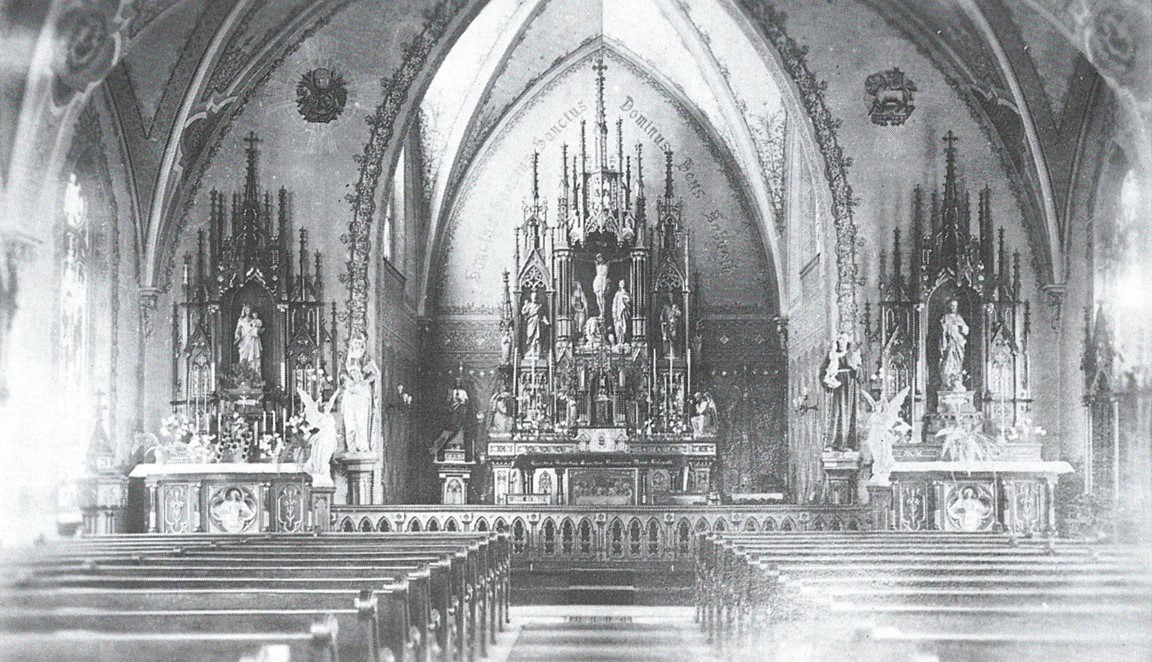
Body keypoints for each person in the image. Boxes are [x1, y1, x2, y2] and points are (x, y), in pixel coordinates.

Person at [822, 333, 862, 451]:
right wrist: (827, 381)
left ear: (848, 340)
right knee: (835, 413)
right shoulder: (832, 354)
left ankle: (848, 444)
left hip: (849, 386)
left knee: (849, 413)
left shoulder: (853, 354)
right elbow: (823, 371)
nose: (841, 341)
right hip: (837, 384)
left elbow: (860, 371)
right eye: (839, 338)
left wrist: (855, 369)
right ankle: (832, 443)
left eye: (843, 339)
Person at [340, 334, 378, 454]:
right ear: (351, 343)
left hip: (362, 391)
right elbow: (341, 372)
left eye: (359, 343)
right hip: (350, 390)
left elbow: (374, 374)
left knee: (361, 420)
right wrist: (348, 379)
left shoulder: (366, 357)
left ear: (362, 344)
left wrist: (365, 381)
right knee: (350, 421)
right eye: (354, 342)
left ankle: (363, 447)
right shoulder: (346, 357)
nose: (356, 345)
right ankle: (351, 447)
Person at [297, 386, 340, 486]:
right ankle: (319, 472)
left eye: (328, 407)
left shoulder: (330, 417)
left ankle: (322, 473)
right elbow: (311, 426)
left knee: (326, 456)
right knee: (320, 456)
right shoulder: (319, 417)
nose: (327, 408)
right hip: (321, 439)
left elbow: (332, 400)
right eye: (324, 407)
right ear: (321, 408)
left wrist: (338, 391)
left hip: (329, 439)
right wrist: (304, 430)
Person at [940, 299, 969, 391]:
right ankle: (948, 380)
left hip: (959, 342)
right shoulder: (946, 317)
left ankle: (957, 378)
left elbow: (966, 330)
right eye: (952, 306)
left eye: (955, 306)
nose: (953, 308)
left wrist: (960, 326)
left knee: (958, 360)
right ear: (948, 306)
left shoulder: (959, 317)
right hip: (950, 342)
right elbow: (942, 330)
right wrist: (945, 327)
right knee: (949, 358)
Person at [234, 304, 263, 369]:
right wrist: (238, 336)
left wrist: (256, 330)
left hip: (252, 339)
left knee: (253, 356)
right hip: (244, 340)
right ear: (244, 311)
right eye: (246, 310)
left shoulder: (253, 320)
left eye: (249, 310)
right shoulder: (241, 320)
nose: (248, 311)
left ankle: (254, 372)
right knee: (243, 357)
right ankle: (243, 373)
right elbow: (238, 330)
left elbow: (257, 328)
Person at [521, 291, 548, 358]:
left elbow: (542, 315)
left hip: (537, 322)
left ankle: (536, 351)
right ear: (531, 297)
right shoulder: (529, 305)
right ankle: (530, 350)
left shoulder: (539, 305)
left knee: (537, 337)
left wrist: (546, 321)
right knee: (530, 335)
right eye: (533, 296)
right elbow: (523, 313)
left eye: (535, 296)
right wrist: (524, 307)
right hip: (530, 322)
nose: (534, 297)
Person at [592, 253, 609, 318]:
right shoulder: (597, 265)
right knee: (598, 297)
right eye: (598, 258)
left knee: (602, 297)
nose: (599, 259)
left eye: (600, 257)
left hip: (603, 280)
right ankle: (601, 311)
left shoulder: (606, 265)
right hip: (598, 280)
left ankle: (602, 312)